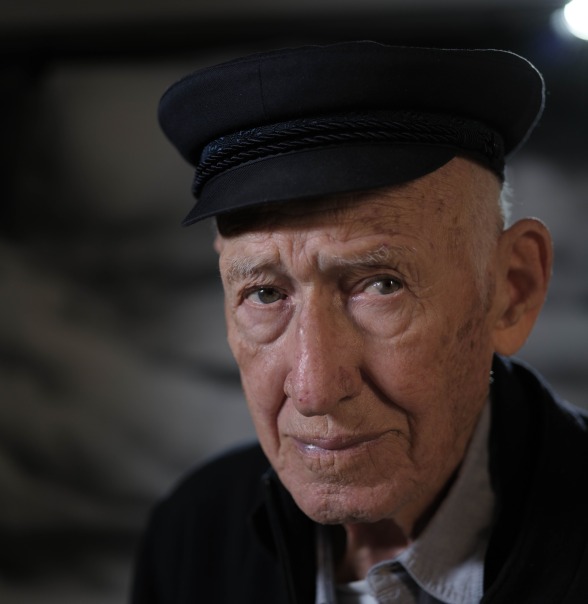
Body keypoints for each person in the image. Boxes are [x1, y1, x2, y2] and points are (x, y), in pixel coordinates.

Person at [131, 41, 588, 603]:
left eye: (381, 285)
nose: (315, 389)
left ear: (513, 289)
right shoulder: (193, 535)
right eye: (266, 293)